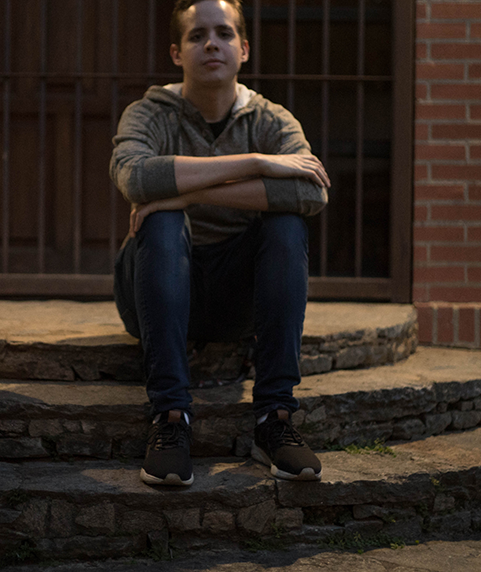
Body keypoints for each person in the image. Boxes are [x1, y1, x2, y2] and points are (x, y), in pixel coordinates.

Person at [111, 0, 332, 487]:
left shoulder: (272, 120)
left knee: (287, 224)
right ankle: (171, 417)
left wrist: (186, 193)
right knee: (162, 222)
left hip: (237, 297)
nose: (212, 44)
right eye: (197, 36)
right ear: (177, 52)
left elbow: (311, 192)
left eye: (224, 34)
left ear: (244, 49)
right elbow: (134, 178)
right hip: (156, 290)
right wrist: (256, 163)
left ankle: (274, 417)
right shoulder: (148, 113)